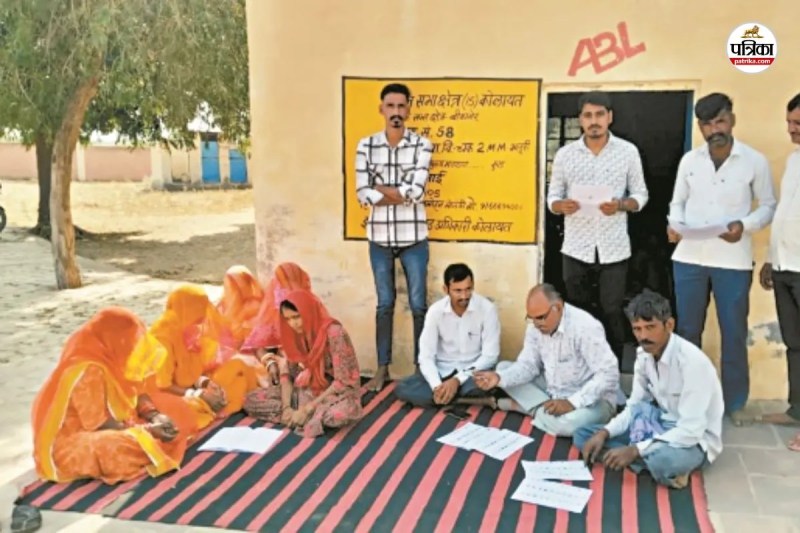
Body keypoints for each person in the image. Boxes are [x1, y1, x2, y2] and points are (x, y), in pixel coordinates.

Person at [667, 92, 777, 424]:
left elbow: (768, 205)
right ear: (699, 126)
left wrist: (744, 225)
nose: (715, 129)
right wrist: (674, 225)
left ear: (732, 120)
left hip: (733, 259)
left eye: (720, 121)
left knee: (733, 333)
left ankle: (734, 404)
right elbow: (677, 203)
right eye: (707, 123)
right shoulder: (690, 161)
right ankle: (690, 401)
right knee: (687, 332)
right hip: (688, 258)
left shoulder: (754, 161)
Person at [574, 290, 724, 489]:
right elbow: (634, 406)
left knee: (664, 462)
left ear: (669, 325)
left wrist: (635, 450)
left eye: (650, 327)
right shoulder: (643, 356)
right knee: (584, 436)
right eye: (637, 329)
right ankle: (648, 464)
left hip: (692, 439)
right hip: (657, 424)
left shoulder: (692, 364)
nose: (643, 336)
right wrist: (605, 432)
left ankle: (652, 464)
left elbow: (691, 430)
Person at [32, 308, 191, 484]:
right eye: (130, 340)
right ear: (113, 339)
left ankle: (150, 440)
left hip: (123, 422)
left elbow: (137, 391)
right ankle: (148, 444)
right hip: (76, 440)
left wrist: (153, 415)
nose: (134, 344)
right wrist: (149, 430)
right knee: (114, 446)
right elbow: (99, 425)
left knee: (177, 408)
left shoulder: (115, 357)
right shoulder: (87, 370)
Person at [547, 90, 649, 364]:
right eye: (588, 115)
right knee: (577, 313)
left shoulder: (627, 152)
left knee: (612, 311)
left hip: (613, 247)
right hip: (576, 247)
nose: (594, 121)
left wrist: (621, 205)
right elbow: (552, 196)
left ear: (610, 117)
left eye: (600, 115)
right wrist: (560, 206)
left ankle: (611, 375)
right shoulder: (566, 155)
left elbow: (641, 195)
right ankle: (580, 371)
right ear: (580, 120)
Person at [355, 82, 434, 391]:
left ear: (408, 109)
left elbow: (416, 193)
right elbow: (362, 193)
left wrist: (380, 189)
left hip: (414, 237)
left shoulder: (422, 145)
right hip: (379, 239)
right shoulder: (365, 146)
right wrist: (397, 192)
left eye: (402, 107)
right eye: (391, 106)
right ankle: (382, 369)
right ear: (381, 109)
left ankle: (419, 368)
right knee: (384, 304)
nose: (396, 113)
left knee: (418, 305)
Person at [473, 283, 618, 437]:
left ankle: (526, 407)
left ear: (559, 308)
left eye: (541, 317)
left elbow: (609, 374)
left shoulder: (585, 327)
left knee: (566, 425)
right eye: (532, 318)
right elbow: (528, 366)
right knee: (502, 369)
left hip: (592, 399)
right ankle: (545, 410)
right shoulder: (535, 327)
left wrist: (572, 403)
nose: (537, 324)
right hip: (552, 389)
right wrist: (498, 378)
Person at [243, 289, 363, 437]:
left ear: (308, 312)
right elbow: (287, 374)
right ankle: (294, 416)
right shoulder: (294, 334)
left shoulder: (334, 333)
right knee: (250, 400)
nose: (293, 323)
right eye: (288, 319)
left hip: (334, 392)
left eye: (297, 316)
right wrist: (287, 407)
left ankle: (303, 416)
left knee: (338, 415)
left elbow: (342, 381)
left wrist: (309, 409)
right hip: (305, 390)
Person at [147, 285, 257, 428]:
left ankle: (215, 405)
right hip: (167, 394)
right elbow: (162, 385)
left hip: (189, 388)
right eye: (198, 309)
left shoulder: (187, 328)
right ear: (186, 309)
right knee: (188, 409)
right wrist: (197, 394)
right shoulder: (162, 338)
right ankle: (209, 408)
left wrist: (205, 383)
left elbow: (191, 371)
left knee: (237, 370)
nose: (204, 315)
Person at [395, 263, 500, 408]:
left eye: (468, 289)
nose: (464, 296)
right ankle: (459, 399)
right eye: (458, 291)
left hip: (473, 374)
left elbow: (490, 356)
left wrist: (457, 380)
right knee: (403, 388)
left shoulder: (487, 309)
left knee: (492, 380)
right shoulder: (435, 312)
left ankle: (447, 398)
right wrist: (437, 387)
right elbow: (426, 356)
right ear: (446, 289)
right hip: (443, 372)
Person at [758, 93, 800, 442]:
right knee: (794, 343)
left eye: (798, 124)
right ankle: (796, 410)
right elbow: (785, 214)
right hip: (786, 266)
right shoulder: (793, 161)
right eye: (789, 123)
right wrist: (771, 259)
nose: (791, 130)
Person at [241, 262, 326, 355]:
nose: (288, 288)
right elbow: (259, 346)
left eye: (296, 317)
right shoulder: (273, 311)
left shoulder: (313, 309)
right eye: (282, 284)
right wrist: (270, 362)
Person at [216, 265, 265, 357]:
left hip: (251, 356)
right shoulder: (222, 305)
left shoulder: (256, 306)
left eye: (234, 285)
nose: (231, 289)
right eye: (229, 284)